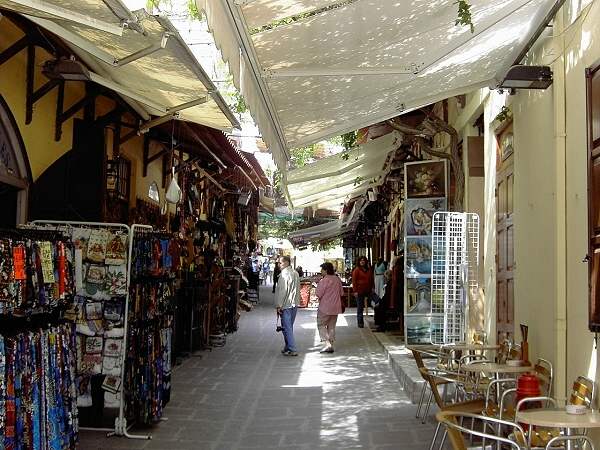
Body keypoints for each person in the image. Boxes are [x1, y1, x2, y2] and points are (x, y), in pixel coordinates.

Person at [315, 262, 344, 353]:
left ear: (326, 270)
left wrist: (317, 285)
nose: (321, 271)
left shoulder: (324, 281)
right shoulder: (337, 279)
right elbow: (341, 293)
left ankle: (327, 344)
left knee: (321, 324)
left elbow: (318, 294)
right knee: (331, 326)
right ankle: (331, 344)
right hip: (336, 307)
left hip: (325, 307)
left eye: (322, 270)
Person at [275, 255, 300, 356]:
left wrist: (279, 305)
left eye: (280, 263)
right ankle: (287, 346)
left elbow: (282, 291)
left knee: (287, 327)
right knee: (288, 327)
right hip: (294, 303)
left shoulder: (284, 274)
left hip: (286, 304)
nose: (278, 265)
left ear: (286, 263)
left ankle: (292, 348)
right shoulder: (295, 273)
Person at [351, 256, 374, 328]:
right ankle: (360, 323)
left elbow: (371, 279)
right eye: (361, 260)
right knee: (360, 307)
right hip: (359, 290)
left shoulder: (368, 269)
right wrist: (355, 291)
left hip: (368, 290)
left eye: (363, 260)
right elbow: (354, 281)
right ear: (359, 262)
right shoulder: (356, 270)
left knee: (377, 301)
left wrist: (373, 287)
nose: (362, 261)